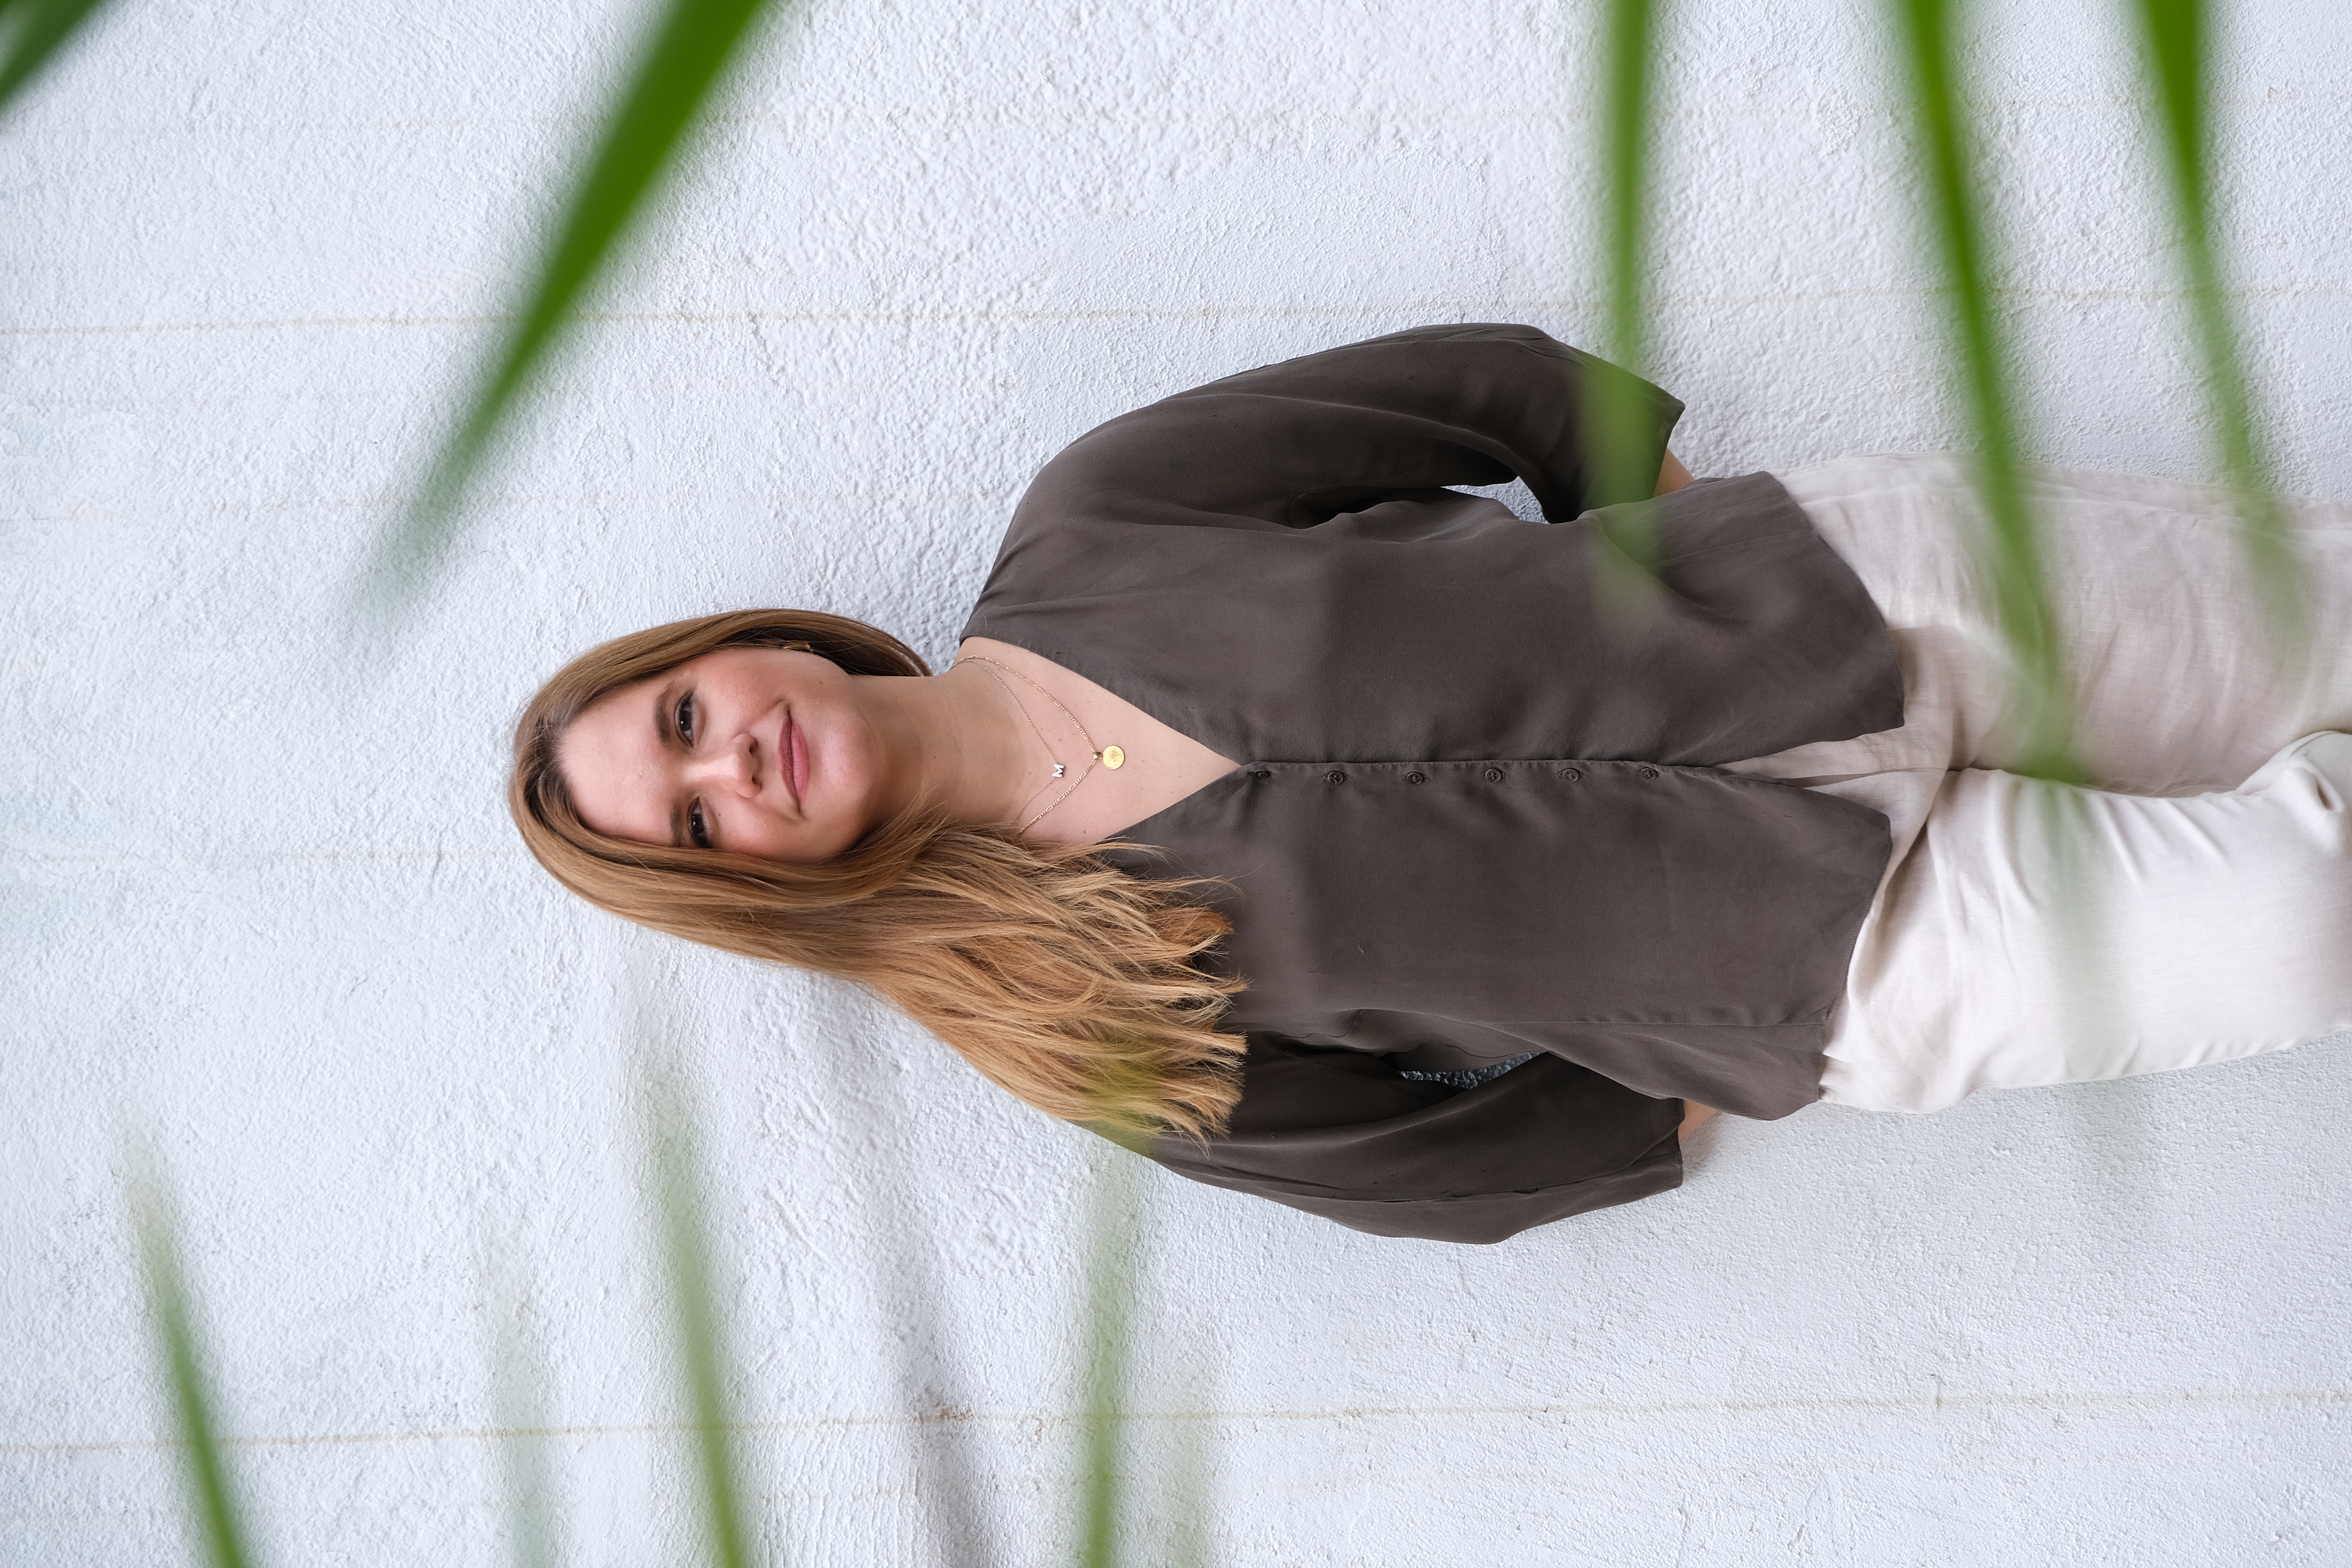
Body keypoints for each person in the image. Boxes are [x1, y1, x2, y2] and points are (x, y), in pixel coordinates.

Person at [511, 323, 2352, 1244]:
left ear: (738, 651)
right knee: (2298, 922)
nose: (728, 762)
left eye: (680, 716)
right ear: (750, 882)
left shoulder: (1092, 521)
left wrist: (1664, 514)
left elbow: (1479, 388)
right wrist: (1653, 1094)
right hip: (1832, 962)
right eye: (696, 825)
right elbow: (1429, 1168)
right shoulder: (1060, 1010)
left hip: (1853, 592)